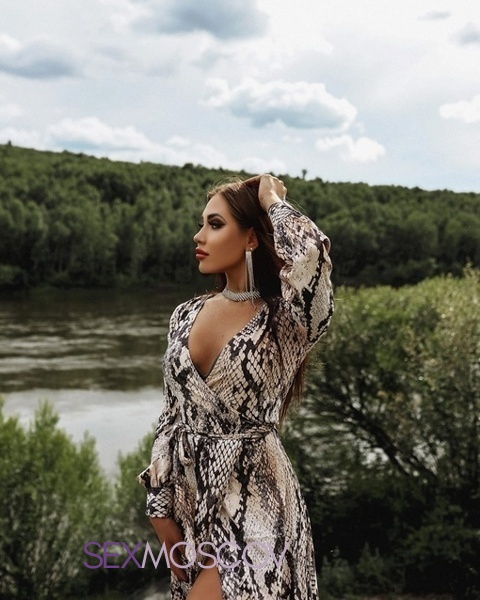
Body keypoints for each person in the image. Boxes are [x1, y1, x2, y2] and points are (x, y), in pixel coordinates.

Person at [138, 174, 334, 599]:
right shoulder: (185, 314)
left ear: (250, 238)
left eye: (214, 224)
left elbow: (311, 258)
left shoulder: (286, 322)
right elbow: (171, 417)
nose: (199, 236)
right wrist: (159, 507)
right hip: (193, 505)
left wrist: (272, 201)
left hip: (258, 502)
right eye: (202, 224)